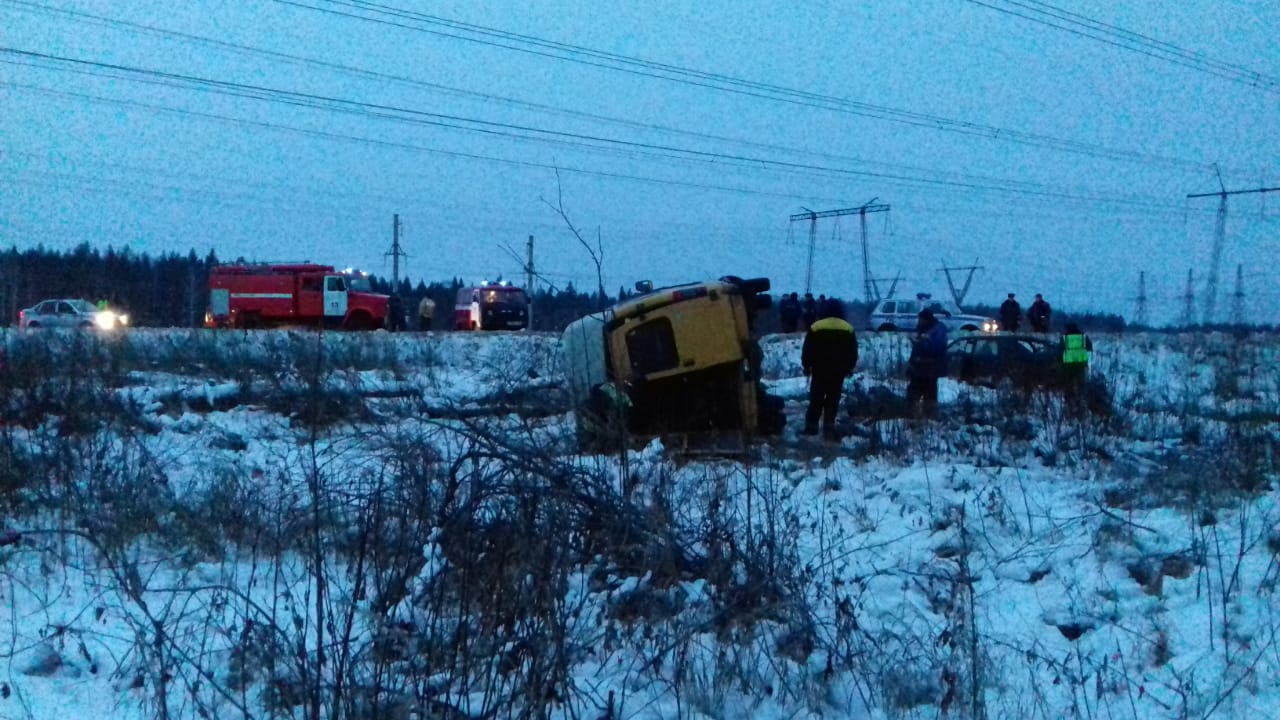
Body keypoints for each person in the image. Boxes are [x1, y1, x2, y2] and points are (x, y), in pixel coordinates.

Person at [801, 298, 858, 440]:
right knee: (833, 399)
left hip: (819, 370)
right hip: (838, 372)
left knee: (816, 399)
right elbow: (852, 351)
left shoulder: (816, 327)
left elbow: (808, 349)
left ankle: (811, 428)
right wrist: (850, 368)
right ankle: (828, 427)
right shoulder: (847, 328)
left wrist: (806, 366)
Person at [906, 308, 948, 417]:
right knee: (914, 393)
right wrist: (911, 364)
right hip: (919, 369)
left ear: (927, 320)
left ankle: (929, 417)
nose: (918, 322)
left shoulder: (937, 330)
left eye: (921, 319)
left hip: (930, 369)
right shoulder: (923, 330)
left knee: (929, 394)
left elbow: (937, 349)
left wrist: (923, 342)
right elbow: (916, 351)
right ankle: (913, 415)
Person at [1059, 321, 1093, 395]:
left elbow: (1059, 351)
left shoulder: (1064, 338)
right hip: (1081, 364)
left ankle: (1069, 401)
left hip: (1068, 365)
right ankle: (1081, 399)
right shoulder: (1083, 337)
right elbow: (1090, 347)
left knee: (1068, 384)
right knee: (1081, 383)